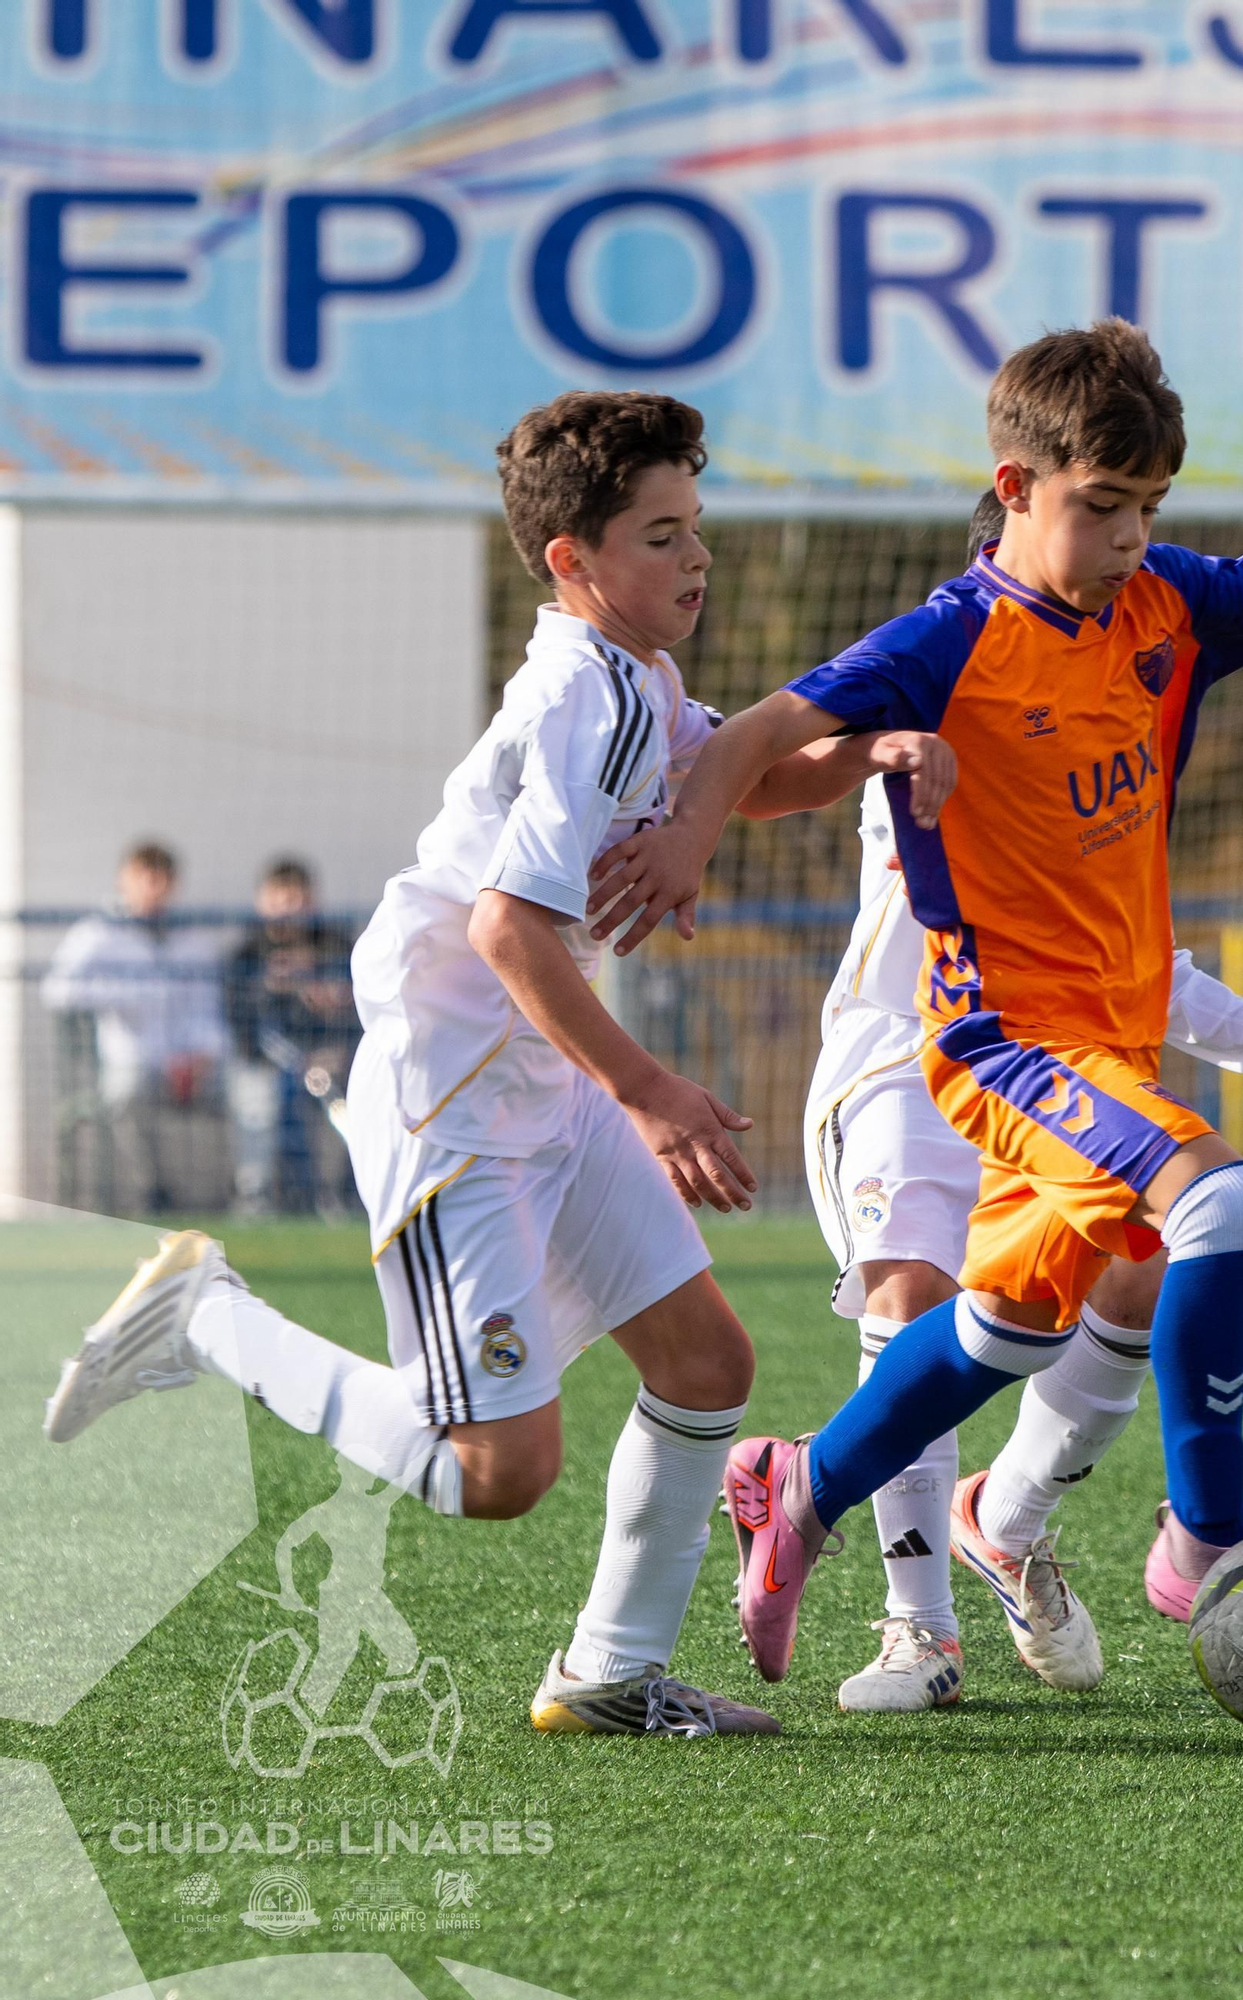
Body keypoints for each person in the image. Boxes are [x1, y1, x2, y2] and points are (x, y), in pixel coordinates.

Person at [42, 391, 944, 1737]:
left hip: (538, 1071)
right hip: (454, 1086)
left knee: (704, 1361)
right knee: (496, 1471)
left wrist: (876, 750)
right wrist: (650, 1092)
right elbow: (505, 926)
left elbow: (741, 784)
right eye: (659, 535)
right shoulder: (579, 694)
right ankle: (201, 1314)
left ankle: (609, 1676)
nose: (695, 558)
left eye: (697, 527)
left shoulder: (640, 674)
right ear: (570, 559)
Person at [584, 319, 1243, 1685]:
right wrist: (689, 835)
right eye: (1101, 508)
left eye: (1148, 509)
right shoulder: (954, 634)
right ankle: (1206, 1549)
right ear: (1015, 488)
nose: (1126, 538)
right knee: (1222, 1202)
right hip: (999, 1045)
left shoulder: (1165, 602)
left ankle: (799, 1489)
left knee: (1014, 1325)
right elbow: (755, 740)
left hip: (1102, 1040)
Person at [806, 501, 1243, 1712]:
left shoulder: (1095, 686)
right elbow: (788, 762)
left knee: (1132, 1274)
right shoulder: (946, 695)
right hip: (909, 1054)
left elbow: (1121, 952)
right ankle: (919, 1627)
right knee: (914, 1285)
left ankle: (1005, 1521)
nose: (1118, 584)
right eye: (1100, 524)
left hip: (1054, 1044)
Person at [42, 841, 228, 1215]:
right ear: (123, 879)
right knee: (127, 1096)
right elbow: (57, 989)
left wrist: (200, 1055)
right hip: (130, 1058)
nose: (153, 888)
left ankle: (238, 1200)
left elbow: (208, 1008)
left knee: (245, 1094)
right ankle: (154, 1190)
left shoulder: (190, 938)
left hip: (189, 1064)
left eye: (162, 878)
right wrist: (126, 992)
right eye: (144, 877)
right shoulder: (98, 932)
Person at [224, 857, 359, 1218]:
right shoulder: (246, 953)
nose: (288, 908)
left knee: (364, 1096)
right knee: (271, 1097)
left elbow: (364, 1012)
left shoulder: (336, 945)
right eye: (278, 897)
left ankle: (350, 1196)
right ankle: (285, 1200)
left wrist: (337, 1030)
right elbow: (239, 1025)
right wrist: (272, 989)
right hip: (267, 1065)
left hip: (334, 1061)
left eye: (296, 897)